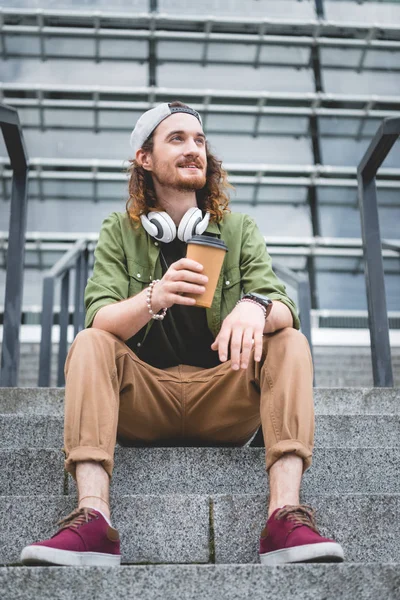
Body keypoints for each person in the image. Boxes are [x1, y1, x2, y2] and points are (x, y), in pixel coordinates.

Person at [20, 101, 344, 567]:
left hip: (224, 397)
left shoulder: (237, 228)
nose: (194, 149)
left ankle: (284, 518)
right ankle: (92, 520)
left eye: (200, 140)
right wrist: (155, 296)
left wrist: (256, 305)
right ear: (144, 159)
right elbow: (99, 316)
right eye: (177, 139)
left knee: (289, 339)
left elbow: (281, 303)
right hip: (143, 401)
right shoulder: (120, 230)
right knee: (90, 342)